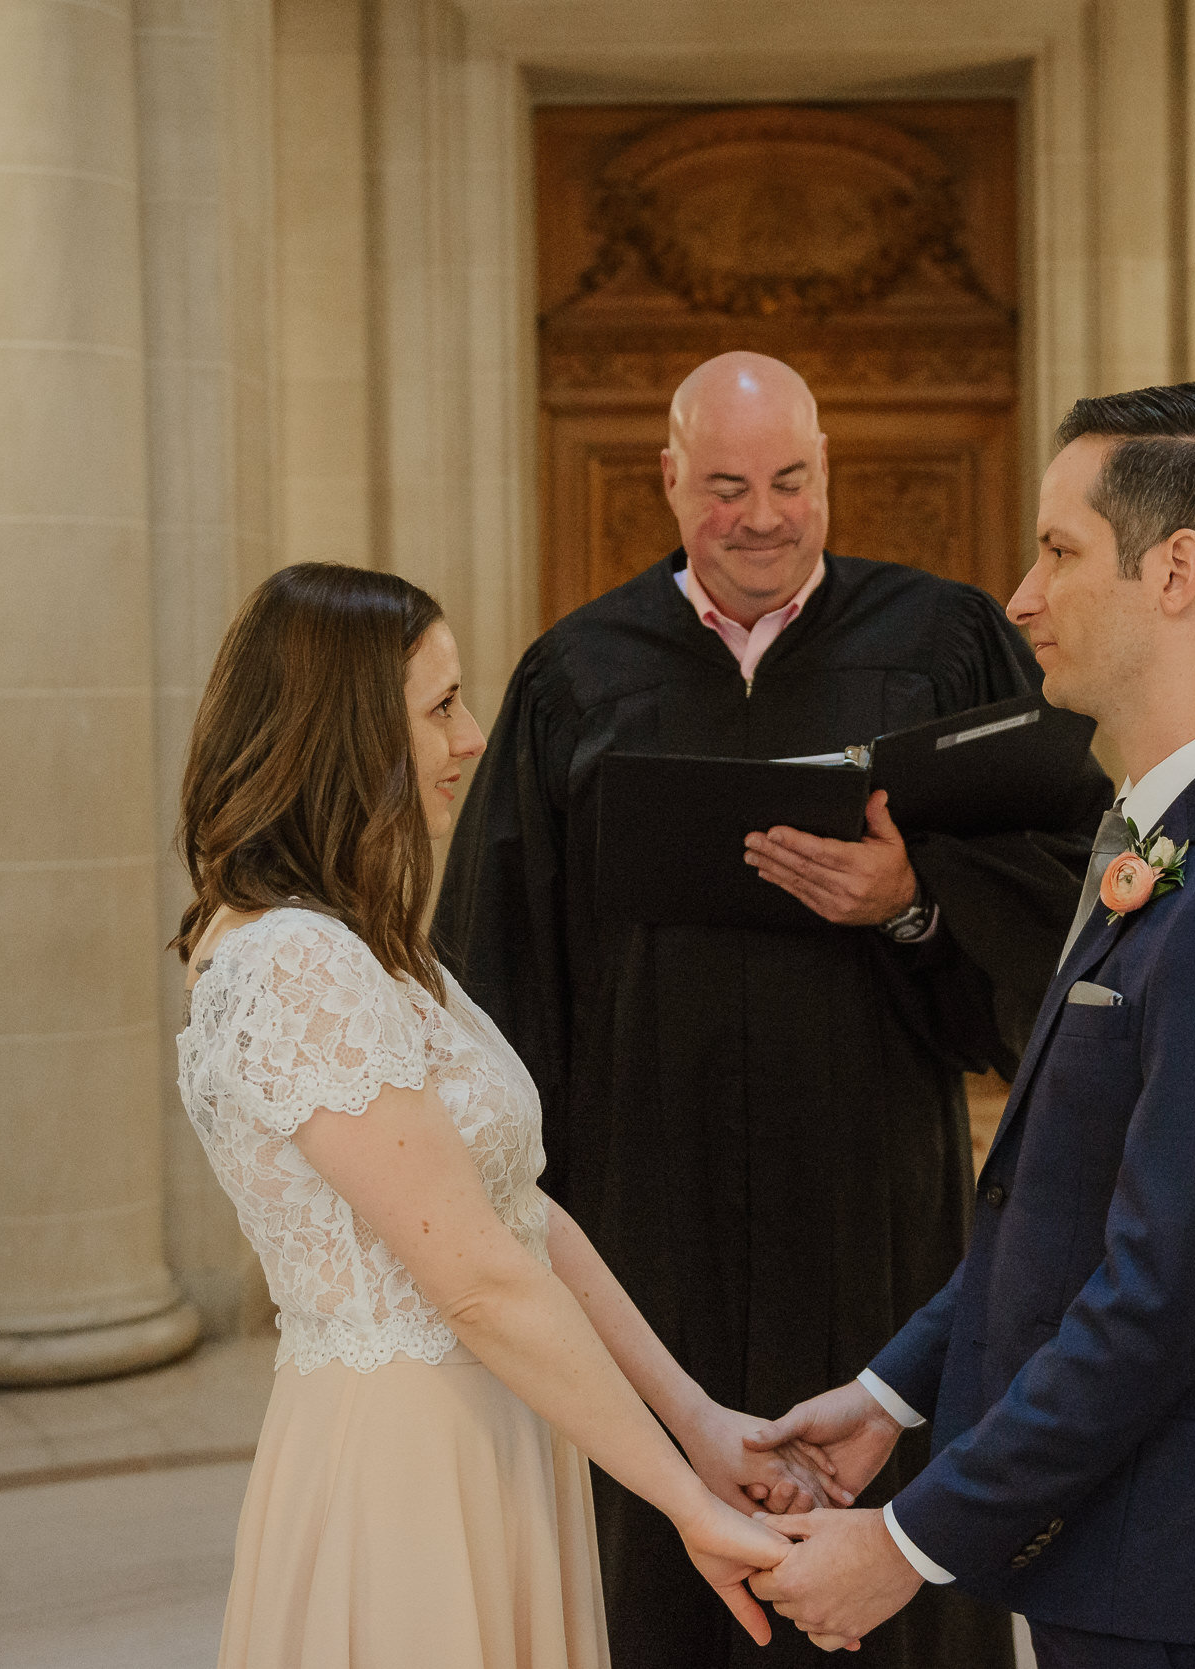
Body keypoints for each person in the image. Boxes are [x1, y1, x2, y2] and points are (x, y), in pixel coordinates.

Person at [435, 352, 1111, 1668]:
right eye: (728, 486)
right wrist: (518, 1207)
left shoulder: (942, 643)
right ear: (670, 481)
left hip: (867, 1184)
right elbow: (499, 960)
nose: (763, 517)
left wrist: (915, 896)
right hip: (650, 1203)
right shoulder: (573, 674)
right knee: (664, 1554)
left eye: (792, 481)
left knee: (884, 1508)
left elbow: (1051, 890)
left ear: (828, 474)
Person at [745, 385, 1195, 1668]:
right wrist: (891, 1396)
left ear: (1176, 571)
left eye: (1056, 550)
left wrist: (906, 1545)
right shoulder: (1161, 826)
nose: (1020, 597)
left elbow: (1156, 1298)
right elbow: (1054, 1198)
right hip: (1119, 1551)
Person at [172, 563, 820, 1668]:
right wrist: (682, 1505)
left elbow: (523, 1218)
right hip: (404, 1463)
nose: (471, 738)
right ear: (346, 734)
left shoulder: (376, 946)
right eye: (439, 708)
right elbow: (474, 1277)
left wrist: (698, 1423)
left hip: (502, 1426)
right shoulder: (291, 962)